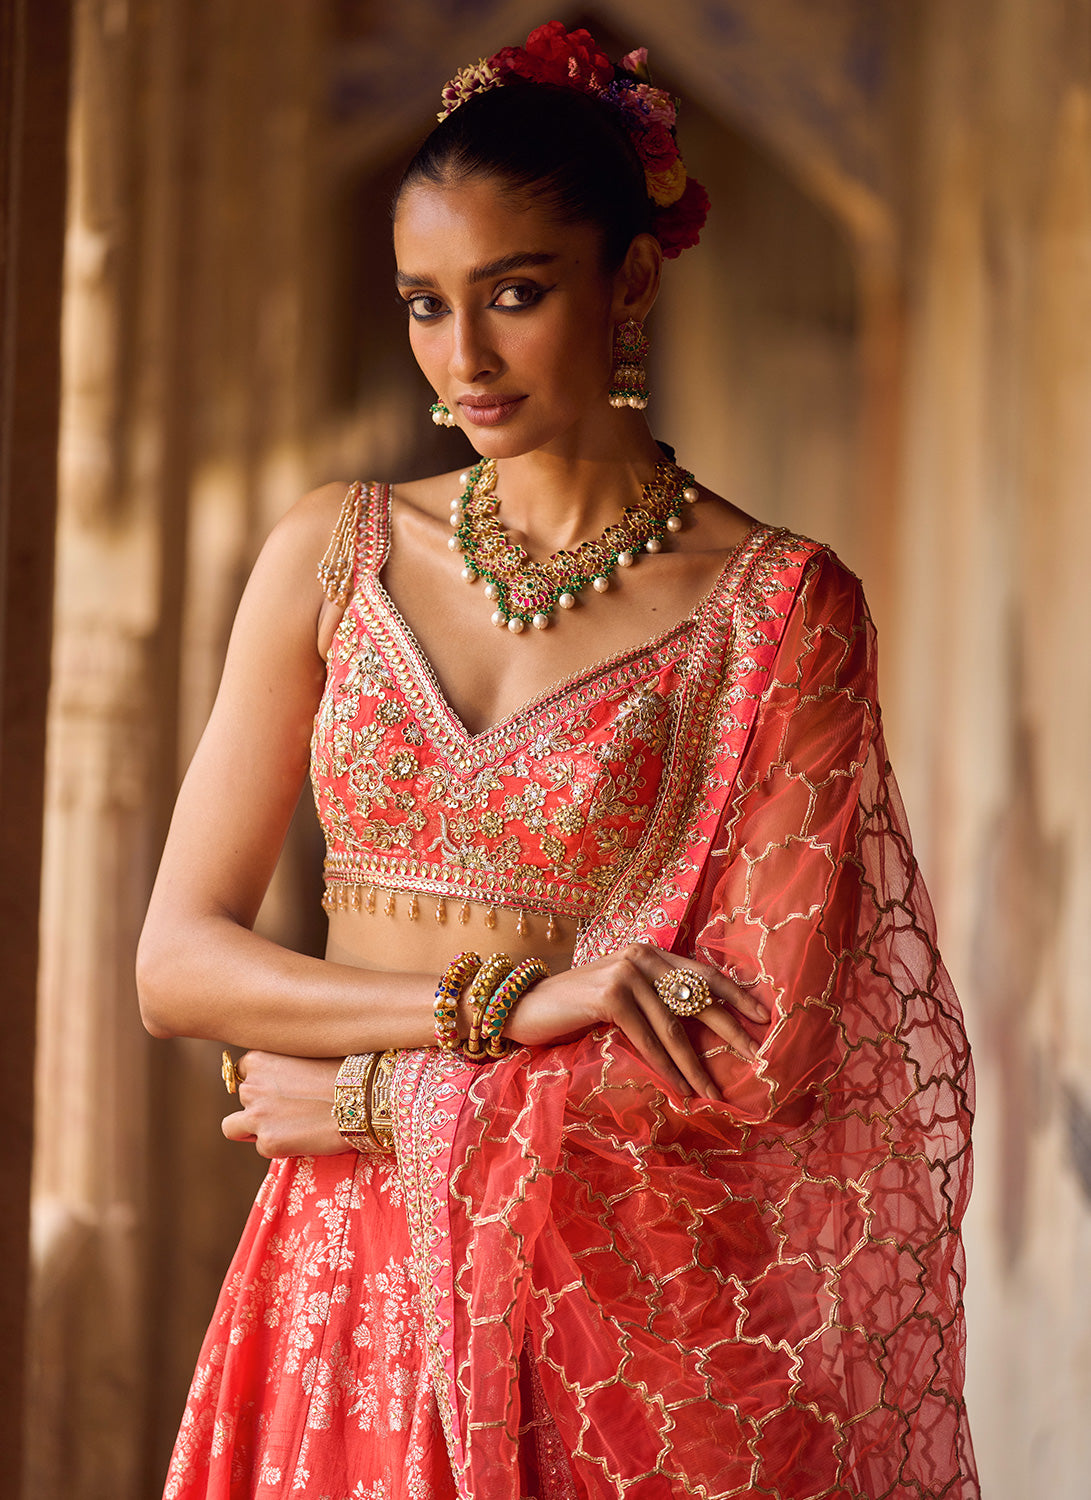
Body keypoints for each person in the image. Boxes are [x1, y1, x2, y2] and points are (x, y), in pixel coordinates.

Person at [137, 22, 979, 1500]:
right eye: (423, 305)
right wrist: (530, 1004)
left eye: (514, 296)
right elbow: (178, 965)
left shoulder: (781, 609)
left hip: (605, 1331)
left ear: (630, 281)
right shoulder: (330, 555)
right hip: (336, 1293)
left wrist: (374, 1098)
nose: (461, 358)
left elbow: (756, 1053)